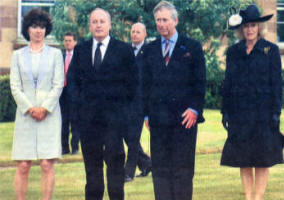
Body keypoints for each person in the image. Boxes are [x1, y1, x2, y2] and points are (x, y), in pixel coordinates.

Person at [67, 8, 138, 200]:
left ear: (110, 25)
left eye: (102, 21)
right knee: (92, 175)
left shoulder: (123, 50)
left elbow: (133, 85)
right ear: (89, 25)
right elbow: (72, 82)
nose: (98, 25)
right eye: (94, 22)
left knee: (115, 173)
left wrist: (124, 115)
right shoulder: (80, 50)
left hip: (115, 124)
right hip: (89, 124)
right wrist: (79, 109)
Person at [142, 1, 206, 200]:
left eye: (165, 19)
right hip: (158, 121)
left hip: (184, 120)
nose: (161, 24)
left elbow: (200, 82)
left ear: (175, 20)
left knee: (182, 171)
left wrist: (194, 109)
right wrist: (146, 114)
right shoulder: (149, 49)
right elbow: (144, 85)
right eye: (158, 20)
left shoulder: (192, 48)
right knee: (160, 171)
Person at [221, 4, 284, 200]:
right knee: (244, 158)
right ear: (241, 29)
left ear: (259, 28)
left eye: (253, 25)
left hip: (264, 114)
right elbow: (228, 84)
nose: (250, 29)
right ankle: (249, 197)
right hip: (240, 114)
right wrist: (225, 112)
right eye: (246, 26)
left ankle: (258, 197)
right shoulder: (233, 52)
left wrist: (276, 112)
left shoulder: (271, 50)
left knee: (262, 159)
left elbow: (277, 85)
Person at [10, 8, 64, 200]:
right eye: (34, 26)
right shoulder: (17, 56)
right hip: (26, 115)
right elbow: (15, 86)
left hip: (48, 115)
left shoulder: (56, 54)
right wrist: (30, 108)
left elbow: (58, 84)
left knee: (46, 164)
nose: (38, 31)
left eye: (42, 27)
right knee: (23, 165)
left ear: (46, 29)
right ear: (28, 29)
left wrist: (45, 108)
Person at [124, 22, 152, 182]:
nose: (134, 34)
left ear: (145, 34)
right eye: (133, 31)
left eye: (138, 32)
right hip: (125, 102)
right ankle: (147, 163)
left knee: (133, 137)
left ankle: (128, 172)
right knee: (126, 135)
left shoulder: (149, 52)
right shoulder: (126, 51)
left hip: (141, 101)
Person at [60, 32, 79, 155]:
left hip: (75, 96)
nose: (67, 42)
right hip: (62, 95)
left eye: (70, 40)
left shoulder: (79, 58)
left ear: (75, 42)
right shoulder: (60, 57)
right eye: (66, 40)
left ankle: (75, 147)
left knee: (75, 122)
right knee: (63, 122)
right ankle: (64, 148)